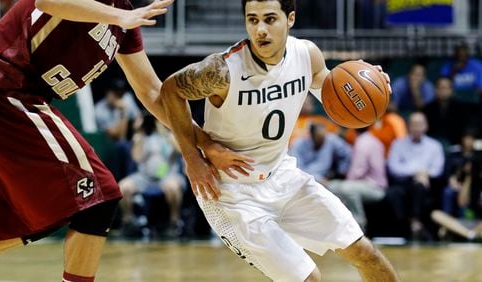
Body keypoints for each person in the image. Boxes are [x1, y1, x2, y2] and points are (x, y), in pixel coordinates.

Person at [160, 0, 400, 281]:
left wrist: (373, 88)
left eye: (270, 19)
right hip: (233, 195)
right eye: (253, 20)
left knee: (366, 254)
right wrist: (192, 158)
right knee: (309, 278)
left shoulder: (306, 55)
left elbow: (335, 94)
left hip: (283, 177)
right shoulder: (221, 70)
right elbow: (169, 92)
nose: (260, 29)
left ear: (291, 19)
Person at [0, 0, 176, 281]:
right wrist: (121, 16)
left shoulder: (123, 19)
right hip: (3, 87)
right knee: (98, 199)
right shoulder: (118, 13)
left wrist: (198, 140)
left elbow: (150, 91)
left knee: (39, 217)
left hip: (15, 96)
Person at [119, 113, 185, 238]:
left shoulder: (170, 136)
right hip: (145, 178)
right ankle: (129, 222)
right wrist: (139, 132)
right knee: (123, 187)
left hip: (168, 175)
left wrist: (164, 132)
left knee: (172, 187)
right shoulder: (141, 137)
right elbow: (137, 158)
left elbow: (180, 151)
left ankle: (174, 222)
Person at [387, 112, 445, 241]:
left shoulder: (435, 146)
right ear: (408, 126)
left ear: (426, 126)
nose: (417, 128)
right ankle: (409, 226)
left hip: (427, 184)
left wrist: (424, 175)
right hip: (403, 182)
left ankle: (415, 223)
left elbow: (437, 170)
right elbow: (393, 167)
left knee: (419, 186)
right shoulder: (398, 144)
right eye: (414, 124)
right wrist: (417, 172)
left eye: (420, 124)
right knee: (396, 192)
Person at [328, 127, 388, 230]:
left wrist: (345, 183)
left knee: (346, 188)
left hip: (375, 187)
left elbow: (358, 170)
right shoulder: (369, 139)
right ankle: (335, 225)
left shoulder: (363, 142)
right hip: (364, 183)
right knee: (331, 186)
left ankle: (359, 225)